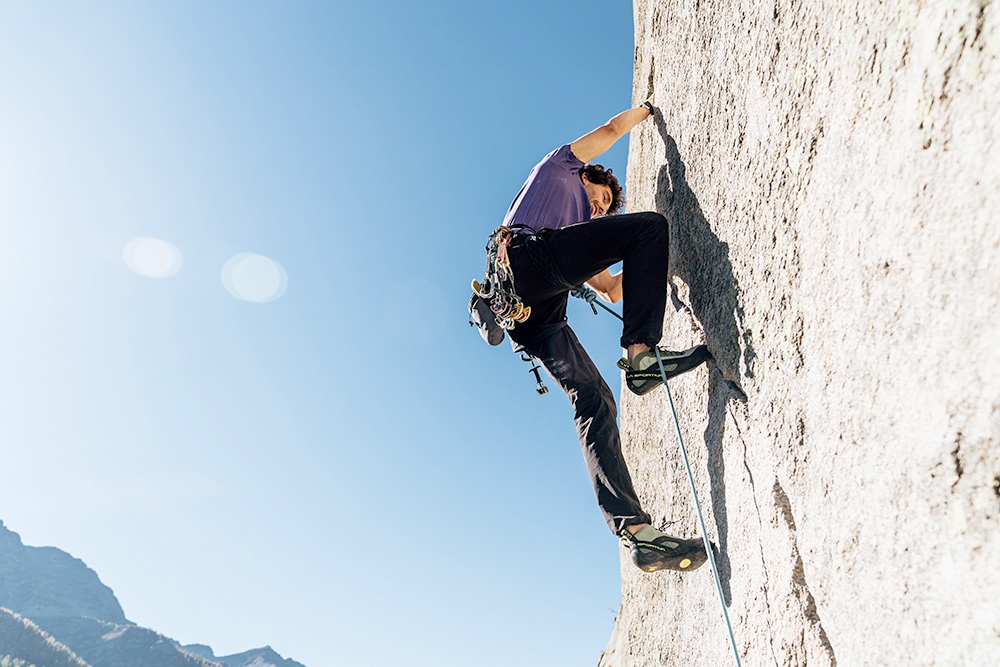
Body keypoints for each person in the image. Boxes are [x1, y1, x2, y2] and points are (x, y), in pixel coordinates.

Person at [499, 101, 712, 573]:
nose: (600, 207)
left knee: (594, 399)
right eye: (600, 196)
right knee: (649, 227)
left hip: (532, 311)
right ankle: (640, 358)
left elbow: (614, 290)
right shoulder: (562, 166)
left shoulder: (580, 235)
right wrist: (649, 108)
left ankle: (638, 534)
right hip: (528, 259)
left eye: (605, 209)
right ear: (587, 175)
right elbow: (613, 128)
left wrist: (658, 274)